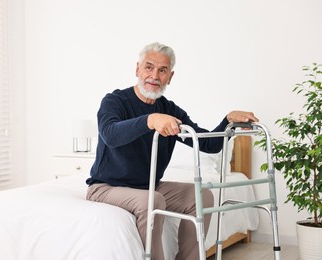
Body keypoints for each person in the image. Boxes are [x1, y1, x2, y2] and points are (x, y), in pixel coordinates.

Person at [85, 42, 259, 260]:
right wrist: (149, 121)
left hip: (149, 185)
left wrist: (227, 121)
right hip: (107, 187)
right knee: (153, 200)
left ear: (170, 76)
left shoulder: (169, 110)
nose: (154, 75)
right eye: (149, 67)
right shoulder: (115, 101)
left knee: (202, 196)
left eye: (162, 70)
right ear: (137, 69)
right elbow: (110, 135)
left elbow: (208, 145)